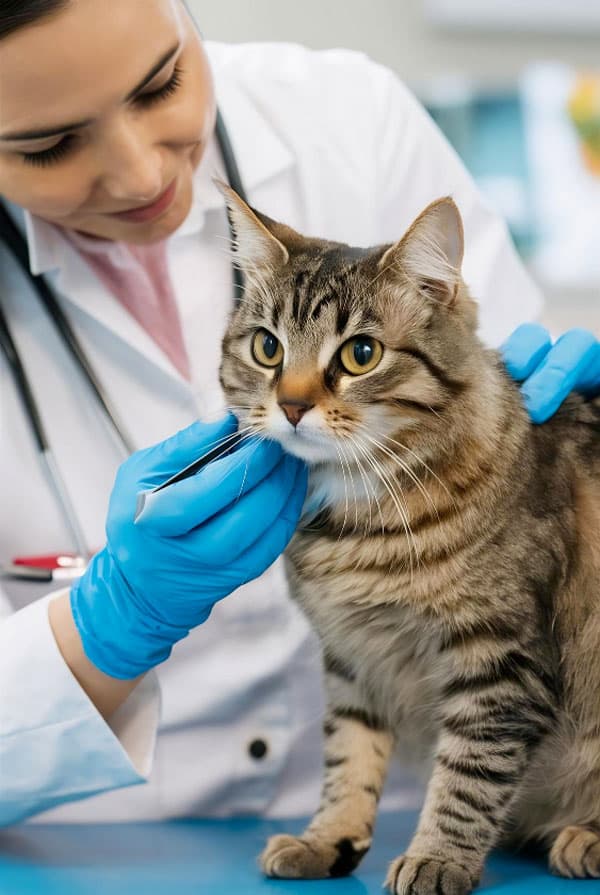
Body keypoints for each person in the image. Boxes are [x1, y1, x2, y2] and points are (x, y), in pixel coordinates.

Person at [0, 0, 598, 828]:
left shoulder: (350, 116)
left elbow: (533, 567)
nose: (139, 175)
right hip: (99, 841)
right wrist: (107, 626)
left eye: (161, 83)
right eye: (48, 144)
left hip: (426, 817)